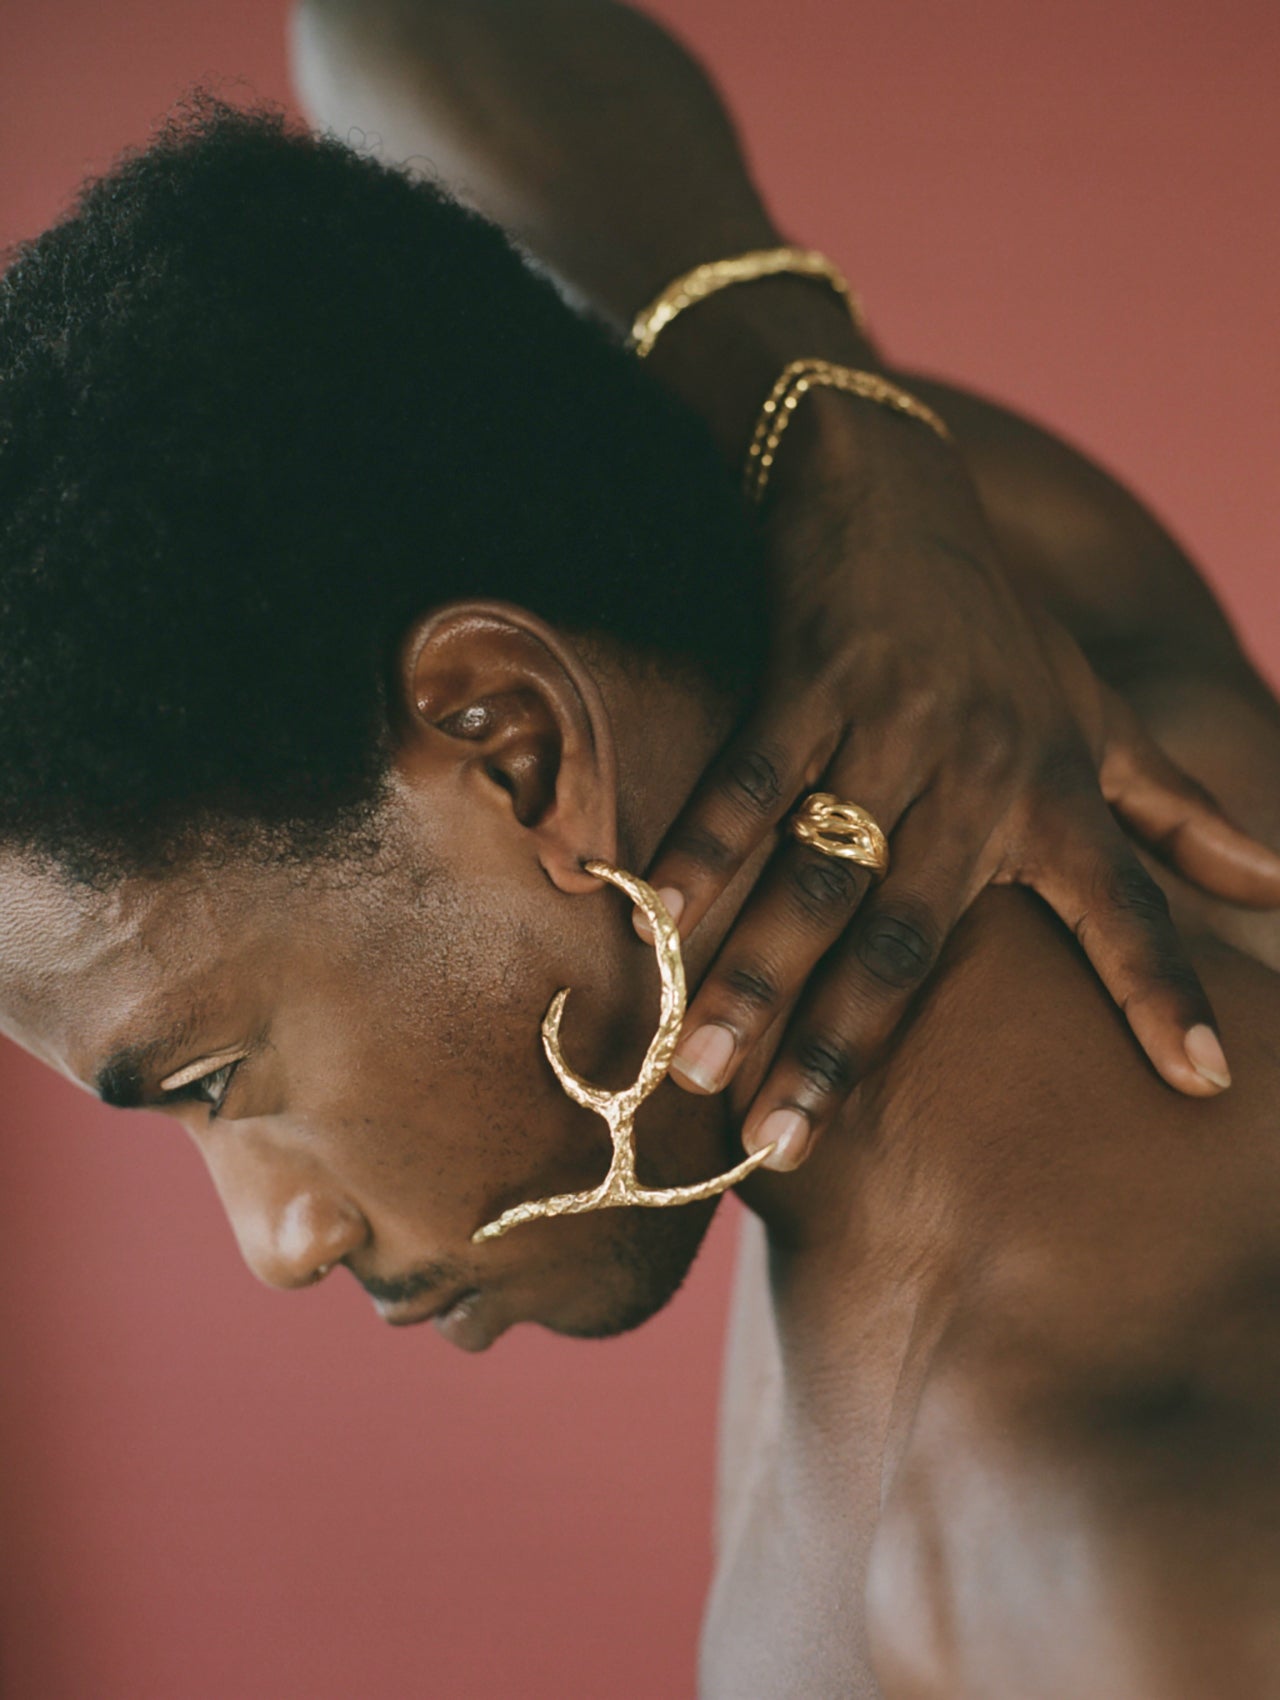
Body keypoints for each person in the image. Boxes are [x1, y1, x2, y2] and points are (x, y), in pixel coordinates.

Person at [0, 12, 1277, 1700]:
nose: (279, 1239)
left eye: (218, 1080)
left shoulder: (1095, 1570)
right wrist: (826, 406)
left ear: (511, 744)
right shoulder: (998, 561)